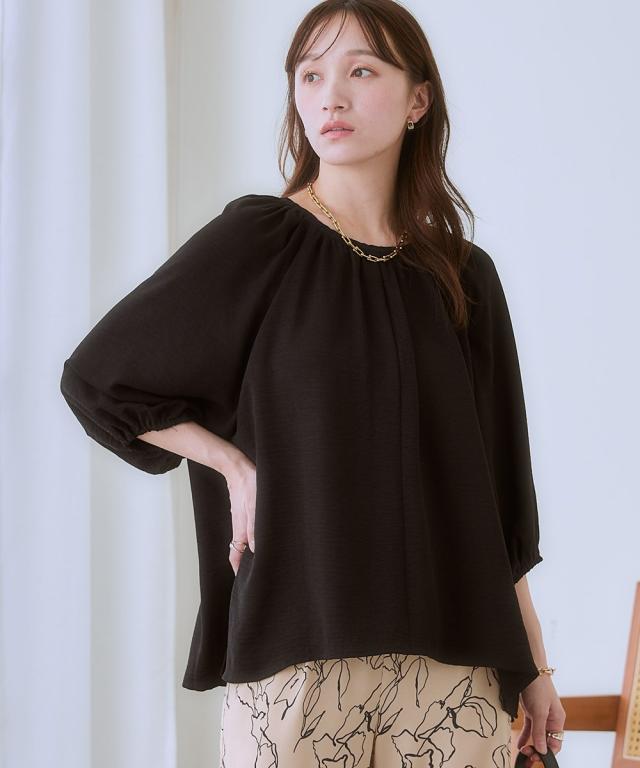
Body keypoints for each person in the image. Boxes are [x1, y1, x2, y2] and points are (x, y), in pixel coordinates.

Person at [59, 1, 566, 766]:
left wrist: (535, 668)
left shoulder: (464, 279)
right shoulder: (259, 241)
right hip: (296, 663)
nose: (332, 95)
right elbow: (100, 380)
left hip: (456, 672)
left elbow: (499, 505)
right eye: (311, 75)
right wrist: (231, 463)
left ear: (418, 100)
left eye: (362, 71)